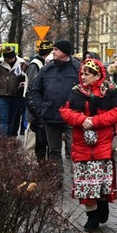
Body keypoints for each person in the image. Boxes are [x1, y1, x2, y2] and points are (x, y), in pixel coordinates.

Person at [59, 59, 117, 232]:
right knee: (85, 183)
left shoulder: (110, 90)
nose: (83, 76)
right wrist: (82, 120)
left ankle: (103, 207)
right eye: (82, 73)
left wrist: (94, 121)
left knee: (101, 181)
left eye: (87, 73)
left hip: (103, 143)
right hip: (82, 145)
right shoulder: (76, 91)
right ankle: (91, 216)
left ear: (98, 75)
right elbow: (65, 112)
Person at [30, 39, 82, 168]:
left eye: (56, 49)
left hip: (73, 117)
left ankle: (77, 181)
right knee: (54, 152)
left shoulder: (78, 69)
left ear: (65, 52)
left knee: (75, 150)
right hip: (51, 115)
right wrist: (41, 108)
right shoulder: (47, 69)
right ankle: (56, 182)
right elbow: (35, 90)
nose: (53, 52)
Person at [0, 44, 27, 136]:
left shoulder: (21, 64)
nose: (8, 61)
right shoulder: (0, 64)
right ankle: (2, 142)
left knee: (11, 120)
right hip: (1, 95)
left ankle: (9, 141)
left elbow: (26, 76)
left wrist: (24, 83)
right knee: (3, 119)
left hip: (15, 95)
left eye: (10, 59)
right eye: (7, 59)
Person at [25, 40, 54, 159]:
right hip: (35, 110)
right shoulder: (35, 65)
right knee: (33, 140)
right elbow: (32, 89)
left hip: (42, 109)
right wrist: (35, 110)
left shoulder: (43, 64)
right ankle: (29, 162)